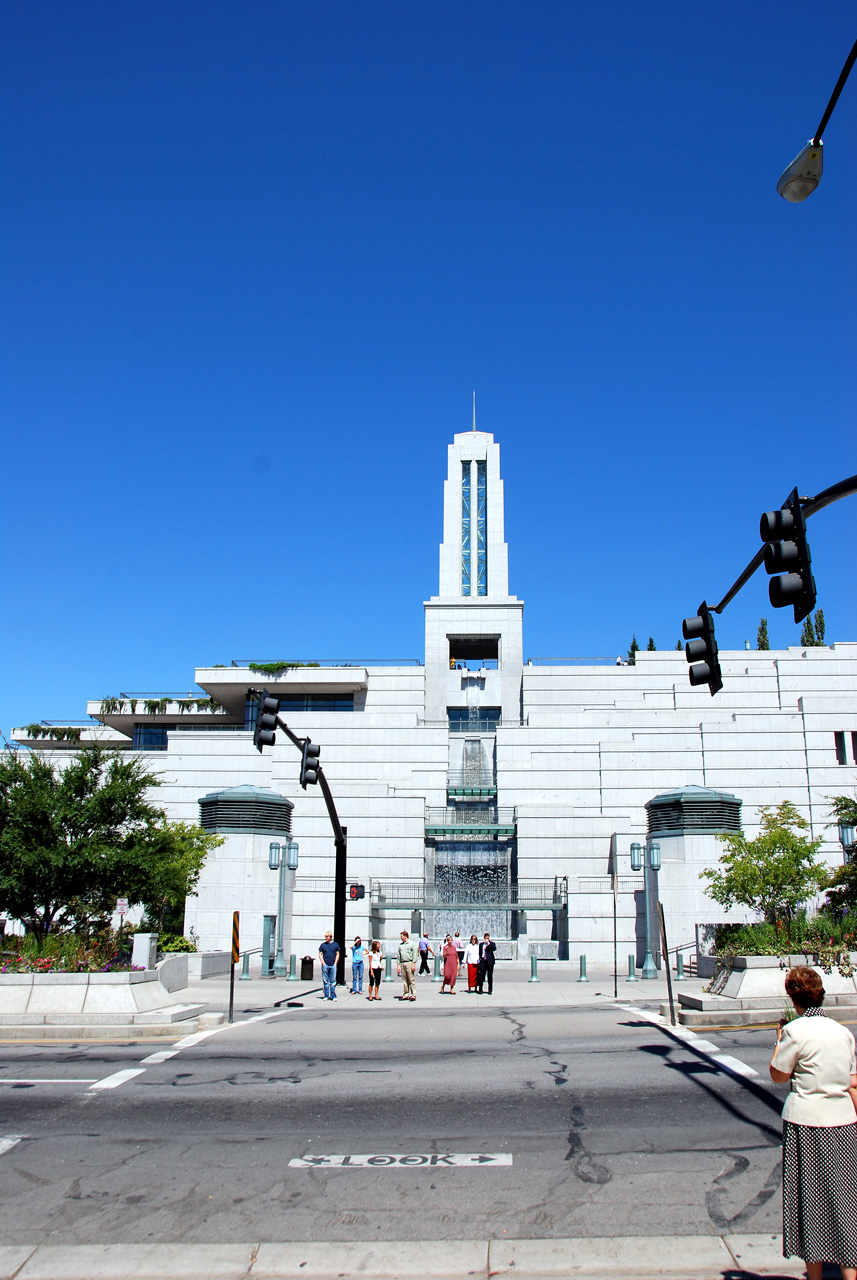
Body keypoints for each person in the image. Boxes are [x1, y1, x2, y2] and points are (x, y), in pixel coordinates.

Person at [770, 965, 857, 1280]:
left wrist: (779, 1041)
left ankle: (815, 1276)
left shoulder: (795, 1031)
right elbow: (853, 1083)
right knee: (846, 1203)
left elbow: (778, 1074)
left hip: (805, 1124)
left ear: (794, 998)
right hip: (843, 1123)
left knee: (811, 1204)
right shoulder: (842, 1032)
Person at [318, 931, 340, 1002]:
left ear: (331, 937)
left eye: (327, 936)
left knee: (333, 981)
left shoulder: (335, 945)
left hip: (333, 965)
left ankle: (333, 995)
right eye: (325, 937)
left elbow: (337, 954)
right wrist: (323, 963)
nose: (326, 938)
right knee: (325, 981)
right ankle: (326, 995)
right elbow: (320, 954)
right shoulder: (323, 945)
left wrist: (335, 963)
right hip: (325, 965)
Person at [396, 930, 418, 1001]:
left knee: (411, 979)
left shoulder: (412, 944)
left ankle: (413, 994)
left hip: (409, 962)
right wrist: (398, 965)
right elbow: (398, 956)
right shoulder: (400, 945)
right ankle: (406, 994)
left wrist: (413, 964)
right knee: (404, 980)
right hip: (403, 963)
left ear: (405, 936)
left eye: (402, 936)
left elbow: (415, 954)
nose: (401, 937)